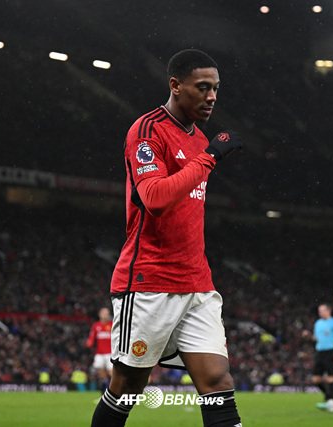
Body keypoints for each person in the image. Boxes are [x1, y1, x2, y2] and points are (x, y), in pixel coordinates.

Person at [90, 49, 243, 427]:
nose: (212, 97)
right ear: (175, 85)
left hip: (197, 283)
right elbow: (155, 199)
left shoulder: (199, 141)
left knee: (218, 382)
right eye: (202, 87)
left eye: (216, 89)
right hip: (150, 281)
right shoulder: (147, 131)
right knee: (127, 386)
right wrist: (210, 157)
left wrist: (206, 153)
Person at [304, 304, 333, 402]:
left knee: (330, 377)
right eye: (319, 311)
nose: (320, 313)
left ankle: (331, 400)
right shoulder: (318, 323)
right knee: (316, 379)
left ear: (329, 311)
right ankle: (328, 395)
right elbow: (317, 338)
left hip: (330, 351)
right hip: (319, 352)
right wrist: (309, 336)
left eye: (322, 310)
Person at [86, 307, 113, 393]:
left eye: (107, 313)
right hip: (99, 353)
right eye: (104, 313)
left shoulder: (112, 324)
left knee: (111, 373)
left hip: (110, 353)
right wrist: (89, 343)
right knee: (101, 375)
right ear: (100, 314)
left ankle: (112, 392)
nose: (106, 315)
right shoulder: (96, 325)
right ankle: (104, 392)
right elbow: (92, 336)